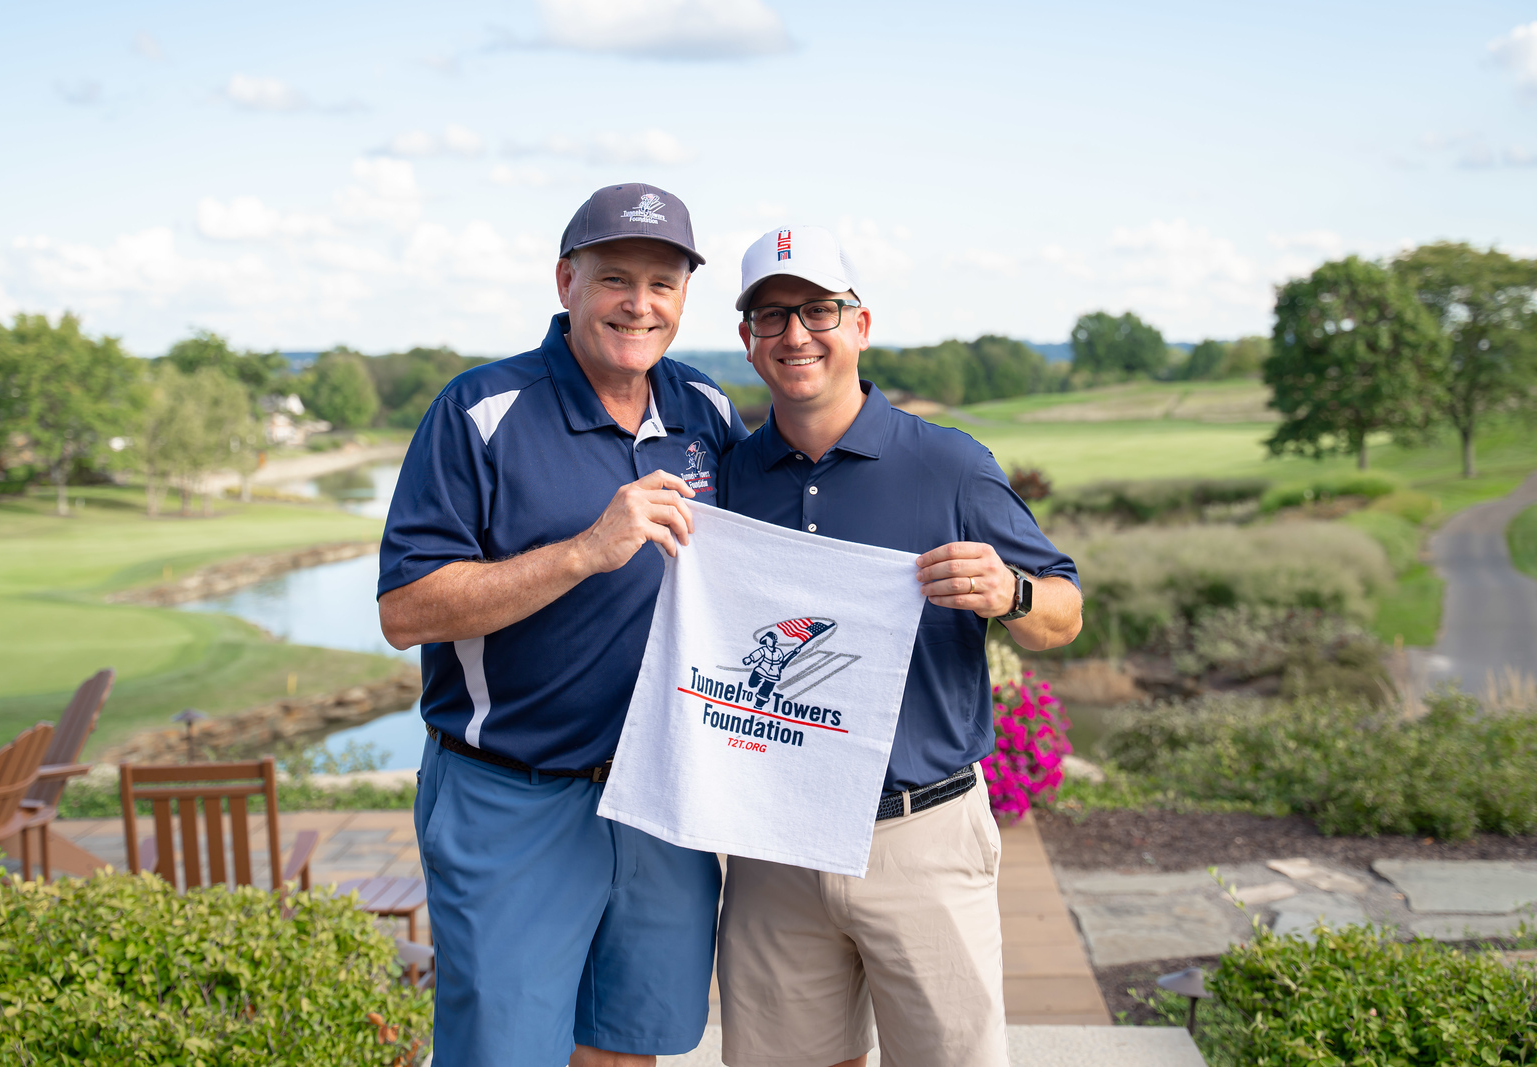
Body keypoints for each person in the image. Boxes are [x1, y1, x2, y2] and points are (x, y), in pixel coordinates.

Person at [377, 184, 748, 1067]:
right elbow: (405, 609)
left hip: (663, 799)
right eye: (615, 278)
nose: (639, 304)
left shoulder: (707, 410)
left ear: (684, 297)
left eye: (662, 283)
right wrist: (585, 550)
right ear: (566, 282)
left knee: (626, 1049)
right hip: (513, 796)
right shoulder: (478, 410)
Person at [714, 226, 1083, 1067]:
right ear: (748, 338)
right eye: (772, 316)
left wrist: (1013, 592)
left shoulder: (950, 465)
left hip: (921, 836)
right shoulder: (731, 478)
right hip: (777, 846)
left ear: (861, 323)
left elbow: (1064, 611)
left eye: (818, 310)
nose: (796, 334)